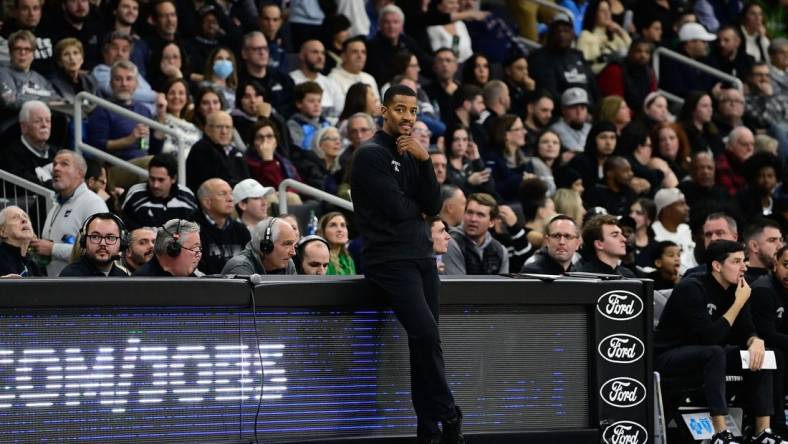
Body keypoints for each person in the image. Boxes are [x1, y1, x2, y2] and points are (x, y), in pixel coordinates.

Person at [350, 84, 464, 442]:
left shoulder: (415, 152)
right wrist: (417, 208)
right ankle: (450, 414)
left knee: (425, 342)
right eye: (400, 109)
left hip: (421, 257)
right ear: (384, 111)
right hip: (389, 260)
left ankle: (429, 431)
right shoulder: (370, 154)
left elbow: (433, 205)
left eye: (413, 111)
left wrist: (427, 160)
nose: (407, 117)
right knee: (426, 333)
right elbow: (399, 210)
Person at [655, 240, 783, 444]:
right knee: (714, 352)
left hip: (710, 356)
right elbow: (709, 337)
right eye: (737, 261)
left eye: (745, 261)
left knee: (763, 354)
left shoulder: (738, 288)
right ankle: (720, 433)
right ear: (717, 266)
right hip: (670, 356)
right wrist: (738, 302)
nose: (744, 267)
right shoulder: (692, 287)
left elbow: (747, 327)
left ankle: (763, 432)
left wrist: (755, 340)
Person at [31, 150, 108, 276]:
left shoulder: (93, 203)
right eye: (55, 164)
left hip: (82, 287)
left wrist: (53, 249)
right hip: (58, 286)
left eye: (64, 164)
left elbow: (100, 248)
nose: (56, 168)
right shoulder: (57, 204)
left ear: (80, 173)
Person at [87, 60, 156, 161]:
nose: (124, 84)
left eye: (129, 79)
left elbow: (147, 146)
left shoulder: (144, 110)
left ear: (136, 84)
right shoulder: (102, 109)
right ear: (111, 83)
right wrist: (129, 140)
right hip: (116, 166)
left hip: (143, 162)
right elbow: (98, 145)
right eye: (118, 79)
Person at [751, 245, 788, 434]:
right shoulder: (763, 289)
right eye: (786, 264)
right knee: (777, 356)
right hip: (753, 347)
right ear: (775, 265)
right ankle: (778, 424)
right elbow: (767, 334)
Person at [121, 153, 198, 230]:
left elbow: (194, 230)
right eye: (152, 179)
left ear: (173, 178)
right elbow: (123, 225)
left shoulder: (187, 197)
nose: (155, 185)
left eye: (161, 180)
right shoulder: (135, 194)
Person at [444, 192, 509, 275]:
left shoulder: (500, 251)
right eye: (469, 212)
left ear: (492, 222)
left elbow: (503, 286)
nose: (473, 219)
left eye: (480, 215)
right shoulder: (450, 243)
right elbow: (458, 286)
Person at [186, 111, 250, 192]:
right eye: (219, 127)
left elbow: (247, 180)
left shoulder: (236, 152)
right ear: (207, 129)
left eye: (228, 127)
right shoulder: (201, 149)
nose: (224, 132)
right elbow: (218, 183)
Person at [238, 31, 296, 117]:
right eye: (256, 49)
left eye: (265, 48)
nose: (262, 53)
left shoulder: (282, 78)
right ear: (244, 53)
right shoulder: (238, 80)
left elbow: (294, 104)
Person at [1, 101, 56, 188]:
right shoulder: (10, 155)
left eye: (48, 121)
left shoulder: (57, 153)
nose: (45, 125)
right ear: (24, 127)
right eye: (38, 121)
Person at [59, 213, 130, 277]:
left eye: (110, 237)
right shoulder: (71, 276)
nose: (103, 243)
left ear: (121, 243)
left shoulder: (122, 276)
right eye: (95, 237)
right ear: (84, 241)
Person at [289, 39, 343, 120]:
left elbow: (341, 110)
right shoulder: (290, 80)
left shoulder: (330, 83)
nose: (320, 57)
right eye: (315, 52)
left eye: (322, 53)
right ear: (302, 55)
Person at [221, 217, 297, 275]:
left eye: (294, 245)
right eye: (287, 244)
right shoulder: (240, 266)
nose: (293, 253)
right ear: (266, 246)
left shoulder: (288, 264)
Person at [134, 218, 202, 277]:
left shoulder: (194, 278)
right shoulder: (142, 281)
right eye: (194, 248)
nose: (199, 255)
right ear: (173, 250)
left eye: (199, 249)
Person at [652, 188, 696, 273]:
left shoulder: (685, 229)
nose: (687, 208)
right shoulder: (654, 233)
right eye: (681, 204)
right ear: (666, 210)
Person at [328, 36, 379, 109]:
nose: (360, 56)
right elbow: (338, 109)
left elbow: (377, 107)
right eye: (355, 52)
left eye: (363, 52)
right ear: (343, 56)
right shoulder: (333, 79)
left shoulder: (369, 78)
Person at [49, 38, 99, 103]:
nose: (72, 58)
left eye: (75, 53)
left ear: (82, 59)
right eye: (66, 54)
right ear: (60, 62)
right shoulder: (53, 84)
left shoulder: (90, 80)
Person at [0, 206, 42, 277]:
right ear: (2, 231)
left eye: (26, 217)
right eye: (15, 217)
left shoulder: (33, 263)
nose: (24, 220)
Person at [549, 87, 592, 156]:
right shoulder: (555, 129)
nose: (579, 112)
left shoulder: (590, 128)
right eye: (574, 107)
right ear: (563, 110)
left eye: (583, 107)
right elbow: (577, 150)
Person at [743, 219, 785, 284]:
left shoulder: (780, 277)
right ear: (754, 246)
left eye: (781, 240)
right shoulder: (742, 282)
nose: (780, 246)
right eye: (772, 240)